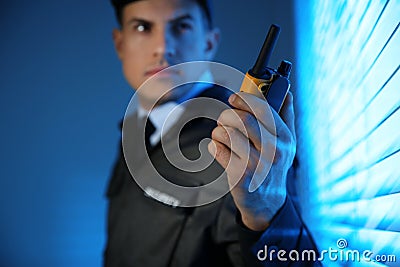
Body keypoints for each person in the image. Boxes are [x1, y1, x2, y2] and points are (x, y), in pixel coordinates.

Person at [105, 0, 320, 266]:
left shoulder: (246, 141)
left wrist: (267, 212)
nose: (162, 48)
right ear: (120, 44)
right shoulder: (136, 132)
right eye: (142, 27)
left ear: (209, 42)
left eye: (181, 26)